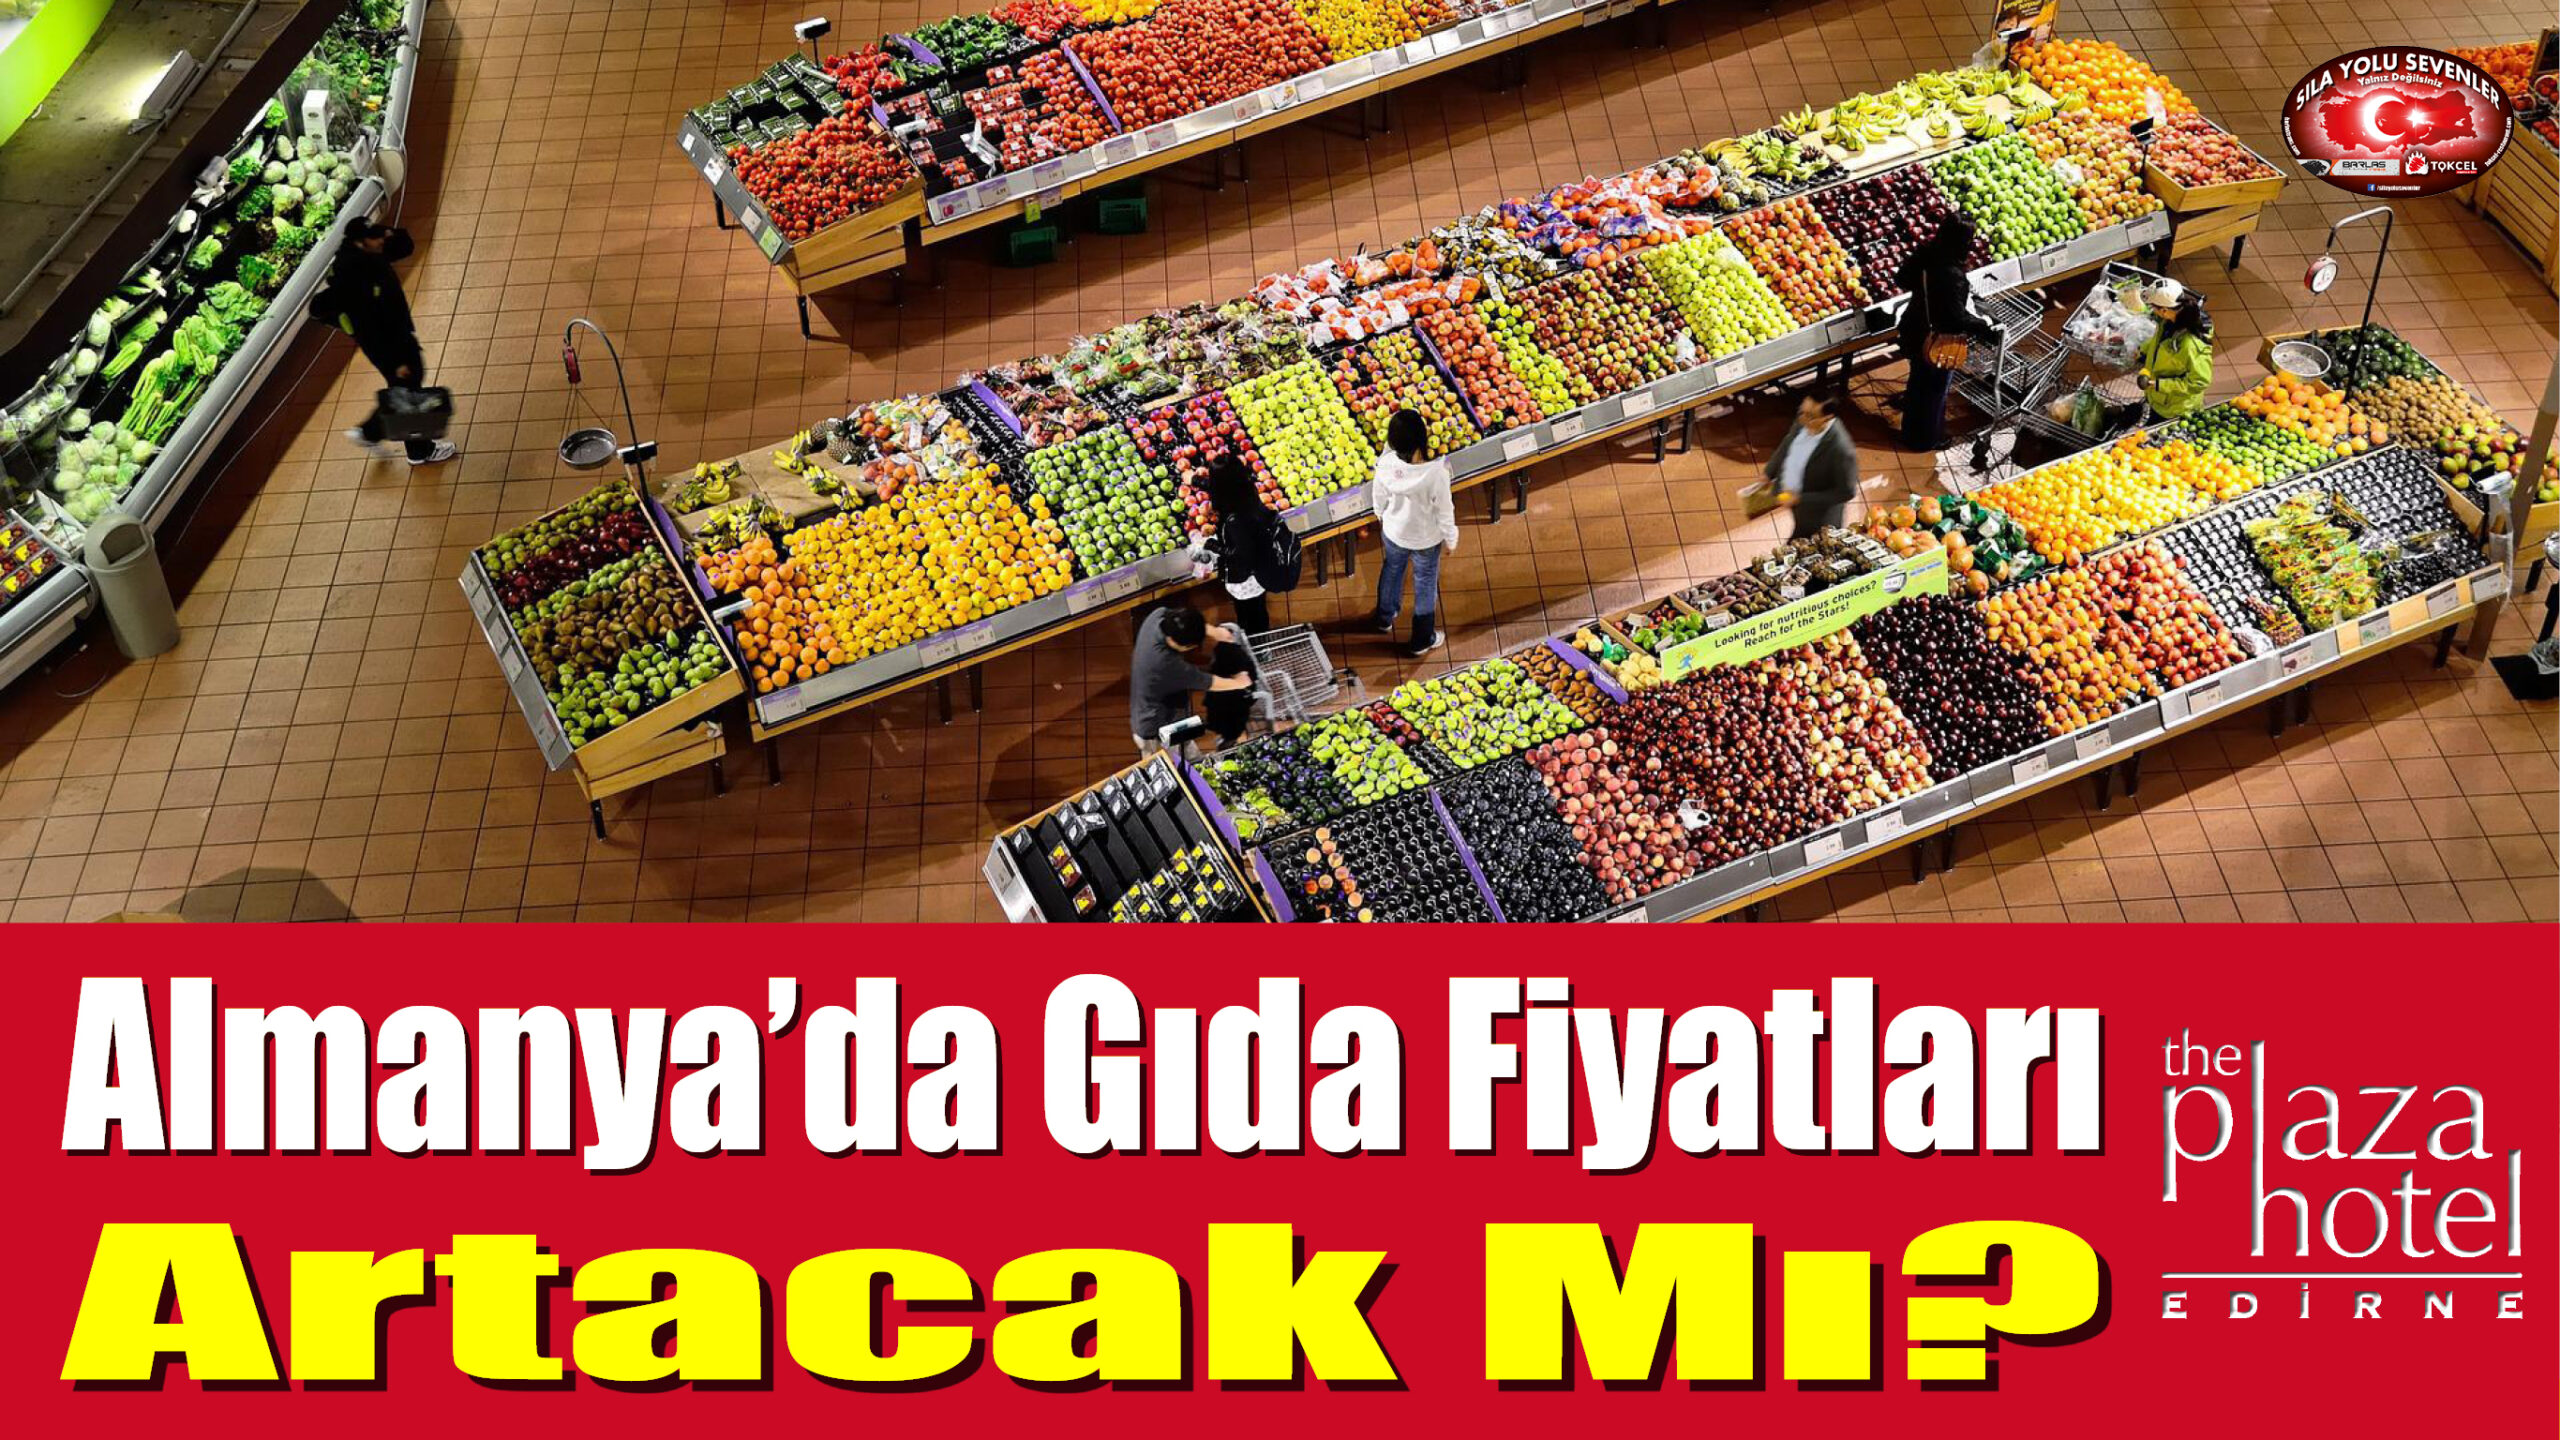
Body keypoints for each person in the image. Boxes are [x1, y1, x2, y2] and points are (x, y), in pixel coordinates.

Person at [316, 218, 456, 466]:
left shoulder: (368, 255)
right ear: (361, 241)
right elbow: (371, 328)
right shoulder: (354, 277)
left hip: (397, 337)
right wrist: (395, 362)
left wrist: (389, 233)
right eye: (376, 237)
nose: (382, 240)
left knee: (406, 387)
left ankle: (371, 432)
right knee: (408, 392)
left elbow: (405, 247)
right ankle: (419, 451)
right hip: (389, 346)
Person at [1894, 215, 2002, 452]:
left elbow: (1901, 278)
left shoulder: (1926, 254)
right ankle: (1926, 439)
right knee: (1935, 390)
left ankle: (1910, 433)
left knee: (1918, 383)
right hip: (1938, 340)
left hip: (1915, 328)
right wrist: (1985, 328)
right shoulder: (1952, 273)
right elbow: (1955, 318)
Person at [1369, 408, 1457, 658]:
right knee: (1425, 583)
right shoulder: (1436, 473)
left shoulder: (1386, 464)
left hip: (1394, 531)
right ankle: (1421, 639)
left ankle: (1384, 617)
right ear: (1422, 438)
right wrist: (1451, 538)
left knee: (1392, 569)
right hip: (1426, 538)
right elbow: (1445, 511)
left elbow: (1379, 495)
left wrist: (1380, 514)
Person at [1129, 603, 1253, 754]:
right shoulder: (1165, 664)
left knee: (1185, 746)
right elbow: (1208, 682)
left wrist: (1214, 632)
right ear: (1179, 643)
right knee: (1173, 757)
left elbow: (1186, 621)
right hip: (1155, 724)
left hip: (1163, 703)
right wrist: (1239, 682)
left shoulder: (1158, 616)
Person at [1195, 456, 1282, 635]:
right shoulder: (1248, 491)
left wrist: (1212, 545)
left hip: (1245, 577)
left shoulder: (1235, 519)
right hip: (1261, 566)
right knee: (1258, 608)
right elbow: (1224, 487)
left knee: (1249, 613)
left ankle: (1256, 641)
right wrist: (1197, 481)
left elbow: (1239, 553)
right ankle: (1259, 636)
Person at [1764, 392, 1859, 539]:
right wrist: (1769, 472)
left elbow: (1846, 492)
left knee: (1804, 545)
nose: (1802, 418)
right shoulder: (1804, 420)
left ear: (1827, 418)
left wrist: (1801, 498)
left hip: (1819, 517)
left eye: (1810, 416)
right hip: (1797, 504)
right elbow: (1788, 442)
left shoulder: (1841, 449)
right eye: (1801, 412)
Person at [2135, 279, 2214, 422]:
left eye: (2153, 307)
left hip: (2174, 408)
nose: (2152, 310)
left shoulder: (2191, 345)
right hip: (2159, 397)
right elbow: (2158, 341)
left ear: (2164, 310)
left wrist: (2158, 385)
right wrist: (2143, 350)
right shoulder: (2168, 321)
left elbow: (2199, 382)